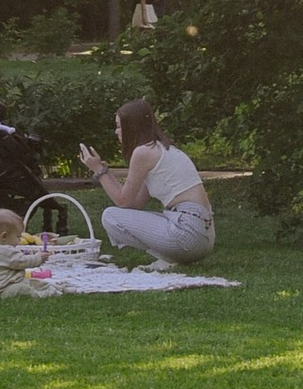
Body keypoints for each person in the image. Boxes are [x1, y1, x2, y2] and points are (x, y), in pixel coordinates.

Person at [82, 97, 213, 266]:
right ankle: (172, 257)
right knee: (117, 215)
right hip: (202, 236)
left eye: (119, 126)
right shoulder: (162, 149)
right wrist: (105, 172)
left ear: (131, 127)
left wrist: (98, 171)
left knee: (110, 216)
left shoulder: (143, 152)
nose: (117, 132)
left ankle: (170, 258)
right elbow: (134, 204)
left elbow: (122, 201)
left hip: (188, 234)